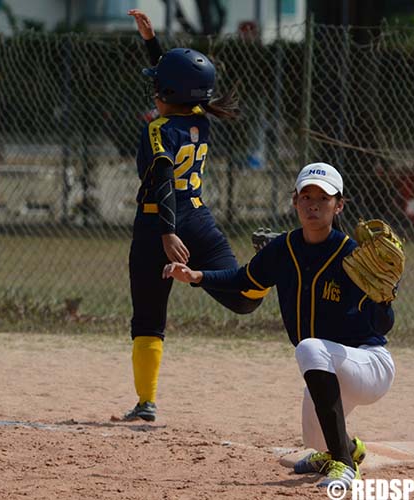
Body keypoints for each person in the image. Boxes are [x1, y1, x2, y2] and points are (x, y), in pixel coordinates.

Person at [163, 162, 397, 490]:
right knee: (315, 439)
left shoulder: (353, 257)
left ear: (339, 205)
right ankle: (348, 449)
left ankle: (344, 466)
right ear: (294, 201)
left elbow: (382, 326)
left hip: (368, 365)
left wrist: (385, 300)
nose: (313, 204)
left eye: (323, 198)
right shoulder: (284, 248)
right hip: (328, 364)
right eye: (306, 196)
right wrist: (197, 276)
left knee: (309, 347)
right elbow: (244, 278)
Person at [121, 9, 264, 423]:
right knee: (241, 296)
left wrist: (166, 233)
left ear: (168, 93)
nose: (153, 93)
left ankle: (146, 402)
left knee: (149, 317)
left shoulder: (157, 128)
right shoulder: (202, 120)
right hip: (199, 219)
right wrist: (153, 45)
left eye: (158, 87)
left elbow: (162, 177)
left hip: (156, 225)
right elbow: (184, 84)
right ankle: (270, 265)